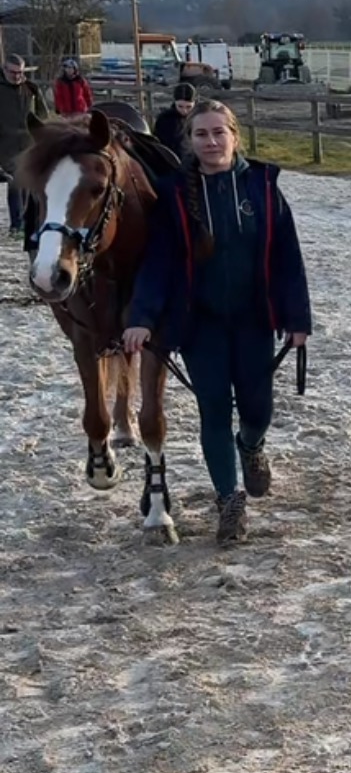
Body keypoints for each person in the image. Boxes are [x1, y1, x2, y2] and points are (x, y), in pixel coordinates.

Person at [121, 99, 312, 546]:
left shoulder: (263, 186)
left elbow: (288, 256)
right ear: (188, 141)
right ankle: (229, 501)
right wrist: (142, 318)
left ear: (234, 136)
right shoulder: (172, 195)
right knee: (213, 410)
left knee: (257, 411)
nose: (210, 142)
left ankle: (251, 446)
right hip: (200, 324)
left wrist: (297, 317)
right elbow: (159, 263)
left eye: (218, 132)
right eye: (200, 134)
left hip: (254, 321)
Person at [0, 51, 49, 236]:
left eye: (20, 72)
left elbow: (43, 114)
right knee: (15, 183)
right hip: (6, 144)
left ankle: (27, 221)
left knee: (28, 184)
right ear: (5, 70)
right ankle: (16, 224)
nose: (17, 76)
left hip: (28, 143)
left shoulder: (31, 89)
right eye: (13, 72)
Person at [152, 79, 197, 157]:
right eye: (180, 106)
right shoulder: (165, 119)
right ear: (175, 102)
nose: (184, 110)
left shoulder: (200, 117)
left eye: (188, 107)